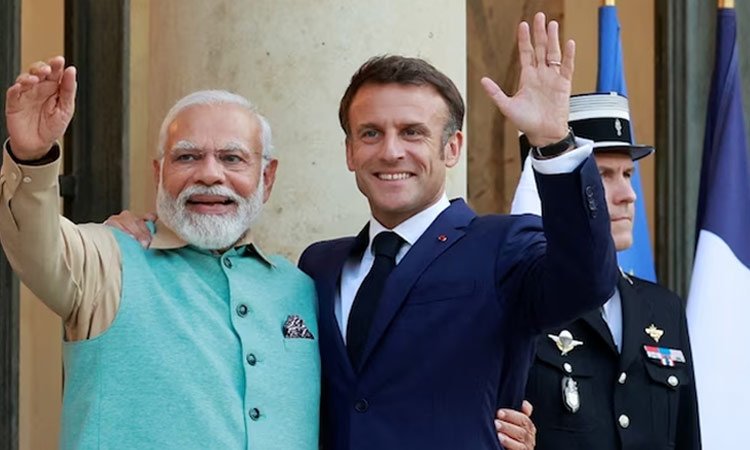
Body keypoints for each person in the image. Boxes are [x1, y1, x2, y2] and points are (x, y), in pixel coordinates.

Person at [297, 13, 619, 450]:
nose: (391, 151)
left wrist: (553, 143)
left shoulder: (502, 247)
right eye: (370, 133)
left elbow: (587, 281)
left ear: (452, 148)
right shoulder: (318, 265)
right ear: (350, 151)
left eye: (412, 133)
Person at [0, 58, 320, 449]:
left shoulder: (299, 288)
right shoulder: (109, 261)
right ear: (158, 174)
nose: (209, 174)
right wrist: (31, 157)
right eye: (187, 157)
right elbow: (36, 243)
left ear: (266, 178)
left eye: (232, 158)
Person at [498, 92, 701, 449]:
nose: (629, 194)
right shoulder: (516, 301)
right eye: (603, 175)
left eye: (628, 174)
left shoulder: (664, 308)